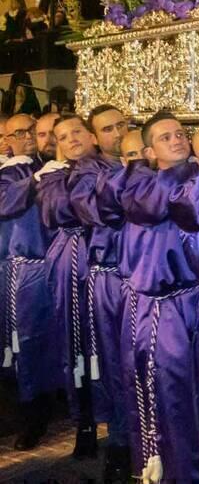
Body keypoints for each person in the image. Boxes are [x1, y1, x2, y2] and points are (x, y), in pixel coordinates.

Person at [113, 109, 199, 483]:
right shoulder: (140, 183)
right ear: (149, 152)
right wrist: (191, 170)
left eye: (181, 133)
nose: (178, 140)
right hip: (163, 308)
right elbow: (153, 208)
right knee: (171, 399)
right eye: (166, 137)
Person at [70, 107, 132, 481]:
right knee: (115, 363)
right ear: (94, 137)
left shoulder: (142, 158)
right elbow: (99, 211)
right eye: (107, 129)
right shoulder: (86, 173)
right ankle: (120, 443)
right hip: (109, 278)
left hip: (144, 282)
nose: (117, 133)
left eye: (122, 125)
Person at [34, 115, 100, 458]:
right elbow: (60, 211)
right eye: (63, 136)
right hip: (72, 264)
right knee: (76, 342)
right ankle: (84, 421)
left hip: (109, 265)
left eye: (77, 131)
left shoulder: (111, 167)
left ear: (91, 134)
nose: (72, 138)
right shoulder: (54, 177)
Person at [0, 114, 57, 449]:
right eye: (17, 133)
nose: (30, 138)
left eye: (31, 131)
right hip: (24, 268)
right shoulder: (13, 171)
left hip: (57, 264)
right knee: (25, 343)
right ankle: (31, 413)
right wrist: (35, 177)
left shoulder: (54, 164)